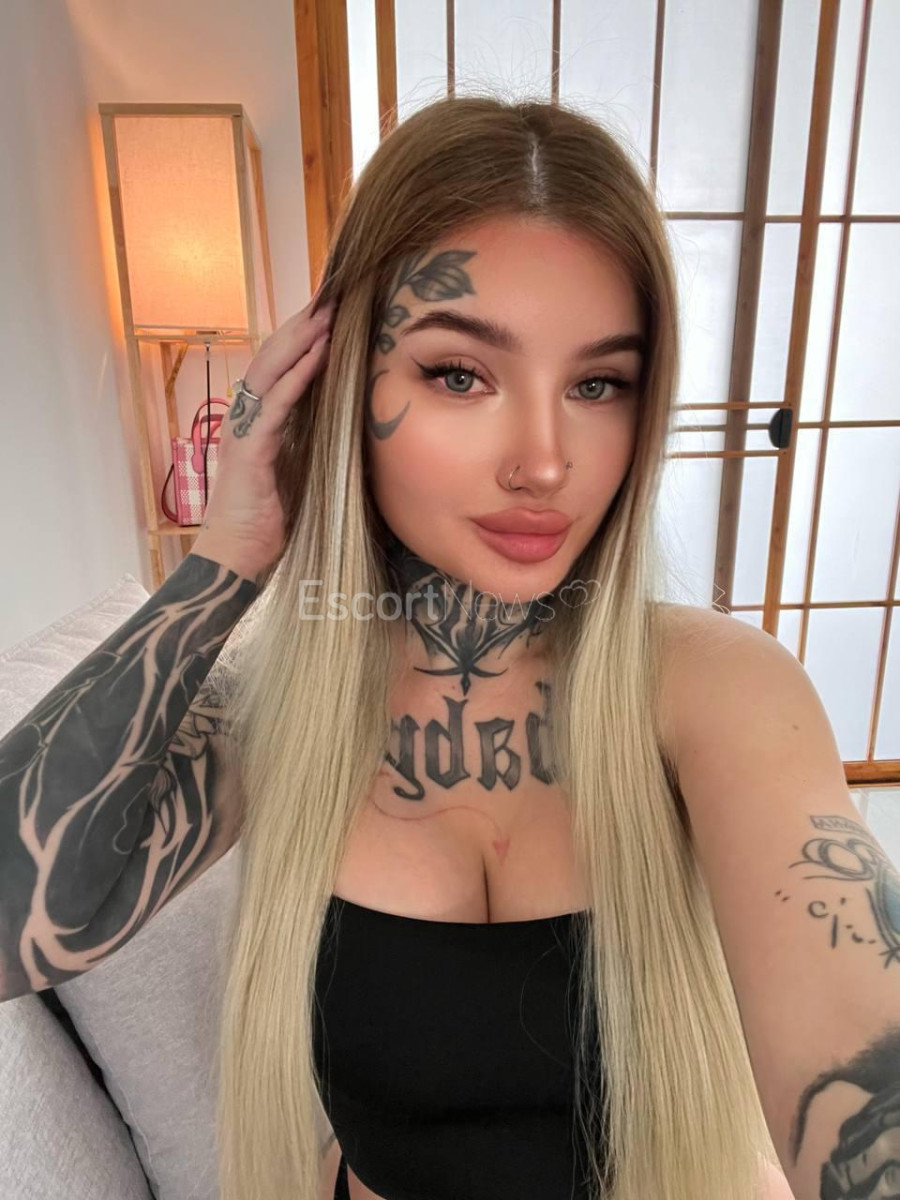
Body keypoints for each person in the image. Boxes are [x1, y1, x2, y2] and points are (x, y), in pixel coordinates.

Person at [6, 92, 887, 1200]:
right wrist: (228, 554)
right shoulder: (278, 704)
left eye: (598, 384)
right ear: (342, 383)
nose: (544, 462)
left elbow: (864, 1060)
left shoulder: (716, 693)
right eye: (459, 375)